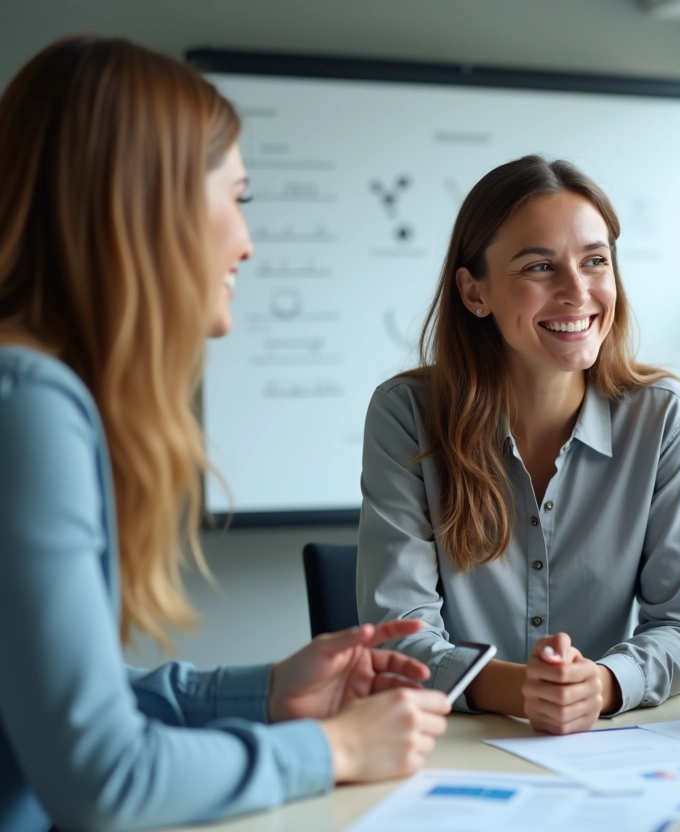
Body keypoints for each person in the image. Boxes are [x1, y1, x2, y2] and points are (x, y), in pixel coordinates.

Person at [0, 37, 450, 832]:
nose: (246, 241)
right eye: (237, 198)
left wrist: (263, 693)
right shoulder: (28, 405)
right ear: (148, 205)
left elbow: (46, 702)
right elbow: (102, 777)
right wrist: (334, 748)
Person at [357, 155, 680, 735]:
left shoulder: (663, 418)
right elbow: (399, 634)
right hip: (450, 749)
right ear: (474, 292)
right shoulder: (406, 415)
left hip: (603, 745)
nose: (578, 291)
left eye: (595, 261)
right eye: (540, 267)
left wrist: (601, 684)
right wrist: (526, 689)